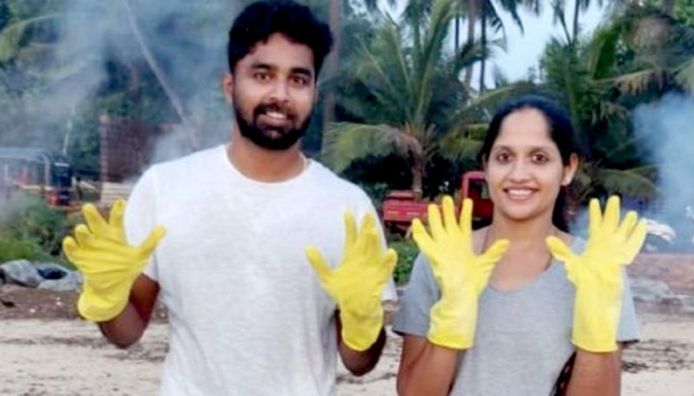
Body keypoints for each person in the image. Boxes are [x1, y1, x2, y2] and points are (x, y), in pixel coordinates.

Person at [61, 1, 397, 395]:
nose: (280, 94)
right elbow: (126, 333)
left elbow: (359, 363)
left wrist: (363, 323)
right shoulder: (165, 188)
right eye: (262, 74)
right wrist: (106, 296)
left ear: (313, 92)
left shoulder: (348, 208)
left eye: (298, 79)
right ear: (230, 85)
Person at [393, 95, 647, 396]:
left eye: (539, 158)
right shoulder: (442, 261)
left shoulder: (598, 268)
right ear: (486, 166)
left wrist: (594, 331)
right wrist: (450, 320)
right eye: (504, 157)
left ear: (567, 168)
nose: (519, 174)